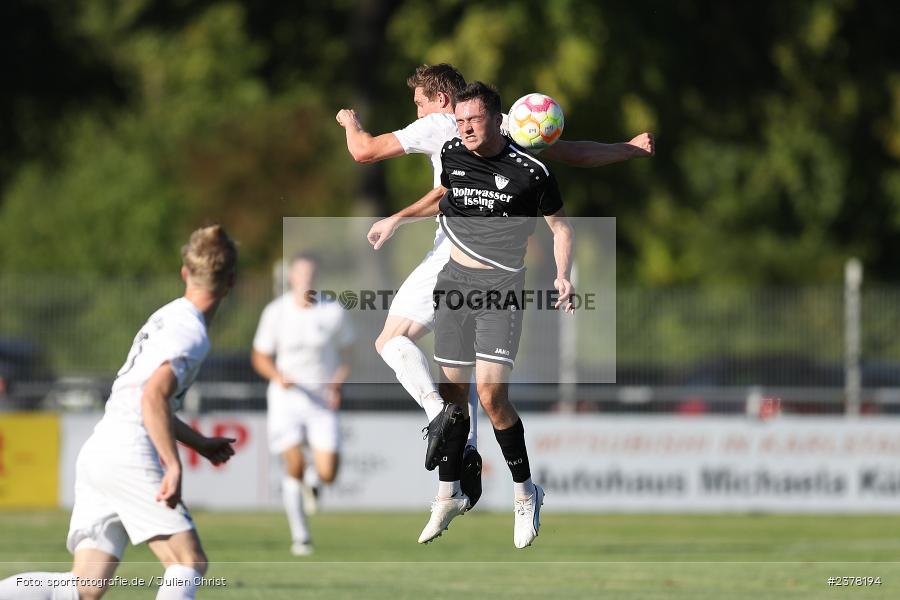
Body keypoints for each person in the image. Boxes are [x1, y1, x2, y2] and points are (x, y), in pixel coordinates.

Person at [335, 63, 652, 509]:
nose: (418, 111)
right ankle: (464, 454)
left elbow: (363, 152)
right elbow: (572, 153)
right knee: (466, 376)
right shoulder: (507, 127)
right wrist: (629, 149)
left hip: (457, 255)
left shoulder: (438, 127)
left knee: (391, 341)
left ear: (442, 100)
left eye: (420, 103)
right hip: (493, 262)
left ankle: (441, 422)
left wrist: (349, 120)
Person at [0, 225, 239, 600]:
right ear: (231, 283)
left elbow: (143, 398)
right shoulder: (191, 333)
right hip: (129, 451)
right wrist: (173, 465)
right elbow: (151, 398)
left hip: (103, 445)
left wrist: (201, 443)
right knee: (187, 562)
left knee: (84, 586)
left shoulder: (167, 316)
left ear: (184, 273)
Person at [419, 81, 574, 549]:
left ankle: (525, 493)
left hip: (501, 287)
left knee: (491, 396)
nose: (465, 127)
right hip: (453, 284)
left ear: (496, 119)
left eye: (474, 120)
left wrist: (563, 275)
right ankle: (448, 494)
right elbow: (442, 197)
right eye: (460, 120)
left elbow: (560, 226)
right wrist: (395, 219)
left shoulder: (531, 172)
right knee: (453, 400)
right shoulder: (450, 152)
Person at [251, 252, 354, 557]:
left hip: (321, 399)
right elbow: (260, 356)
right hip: (286, 399)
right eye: (301, 274)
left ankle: (313, 483)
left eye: (311, 274)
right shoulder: (275, 312)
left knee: (328, 472)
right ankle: (301, 536)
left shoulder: (333, 311)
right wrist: (277, 376)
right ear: (292, 277)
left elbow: (349, 354)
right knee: (293, 464)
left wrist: (337, 383)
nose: (306, 279)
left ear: (316, 277)